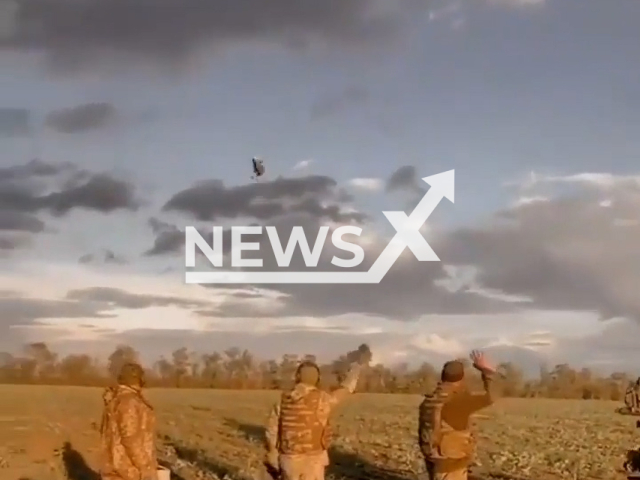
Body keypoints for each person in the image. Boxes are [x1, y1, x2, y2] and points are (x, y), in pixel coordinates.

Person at [264, 346, 372, 480]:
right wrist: (357, 367)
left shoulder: (284, 400)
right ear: (317, 379)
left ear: (297, 377)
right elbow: (346, 389)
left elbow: (271, 431)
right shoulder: (323, 399)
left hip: (289, 459)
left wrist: (272, 452)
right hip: (313, 459)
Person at [418, 350, 496, 480]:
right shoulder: (457, 400)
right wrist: (487, 371)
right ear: (461, 378)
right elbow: (492, 396)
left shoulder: (430, 399)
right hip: (450, 459)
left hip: (433, 456)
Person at [99, 362, 158, 480]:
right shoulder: (129, 402)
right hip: (128, 471)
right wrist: (144, 466)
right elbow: (130, 438)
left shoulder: (116, 399)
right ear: (138, 379)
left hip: (116, 468)